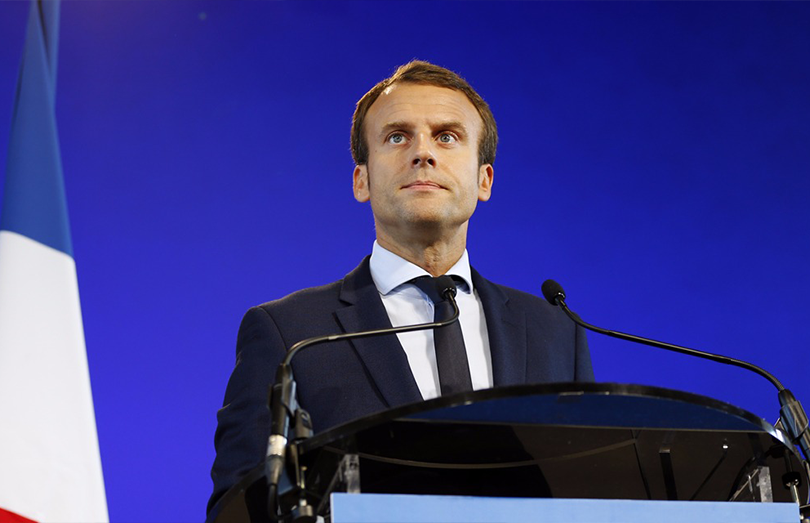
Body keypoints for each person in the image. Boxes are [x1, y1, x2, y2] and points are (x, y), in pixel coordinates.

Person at [207, 60, 594, 516]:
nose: (423, 153)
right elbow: (240, 506)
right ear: (362, 180)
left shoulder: (555, 331)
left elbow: (591, 494)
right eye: (397, 137)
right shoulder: (289, 335)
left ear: (484, 180)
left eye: (446, 136)